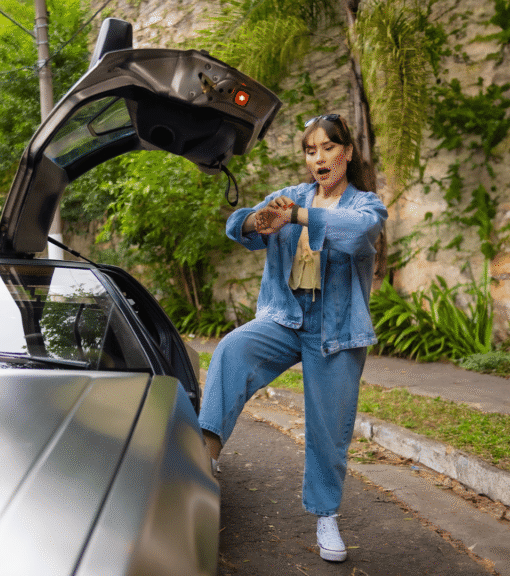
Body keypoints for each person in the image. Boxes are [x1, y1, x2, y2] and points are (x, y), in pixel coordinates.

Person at [198, 113, 387, 563]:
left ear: (347, 153)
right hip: (285, 316)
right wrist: (256, 221)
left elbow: (356, 234)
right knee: (232, 350)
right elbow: (239, 226)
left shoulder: (366, 204)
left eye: (327, 148)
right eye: (310, 150)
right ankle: (204, 461)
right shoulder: (289, 197)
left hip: (336, 330)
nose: (318, 158)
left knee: (329, 428)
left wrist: (297, 217)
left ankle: (326, 516)